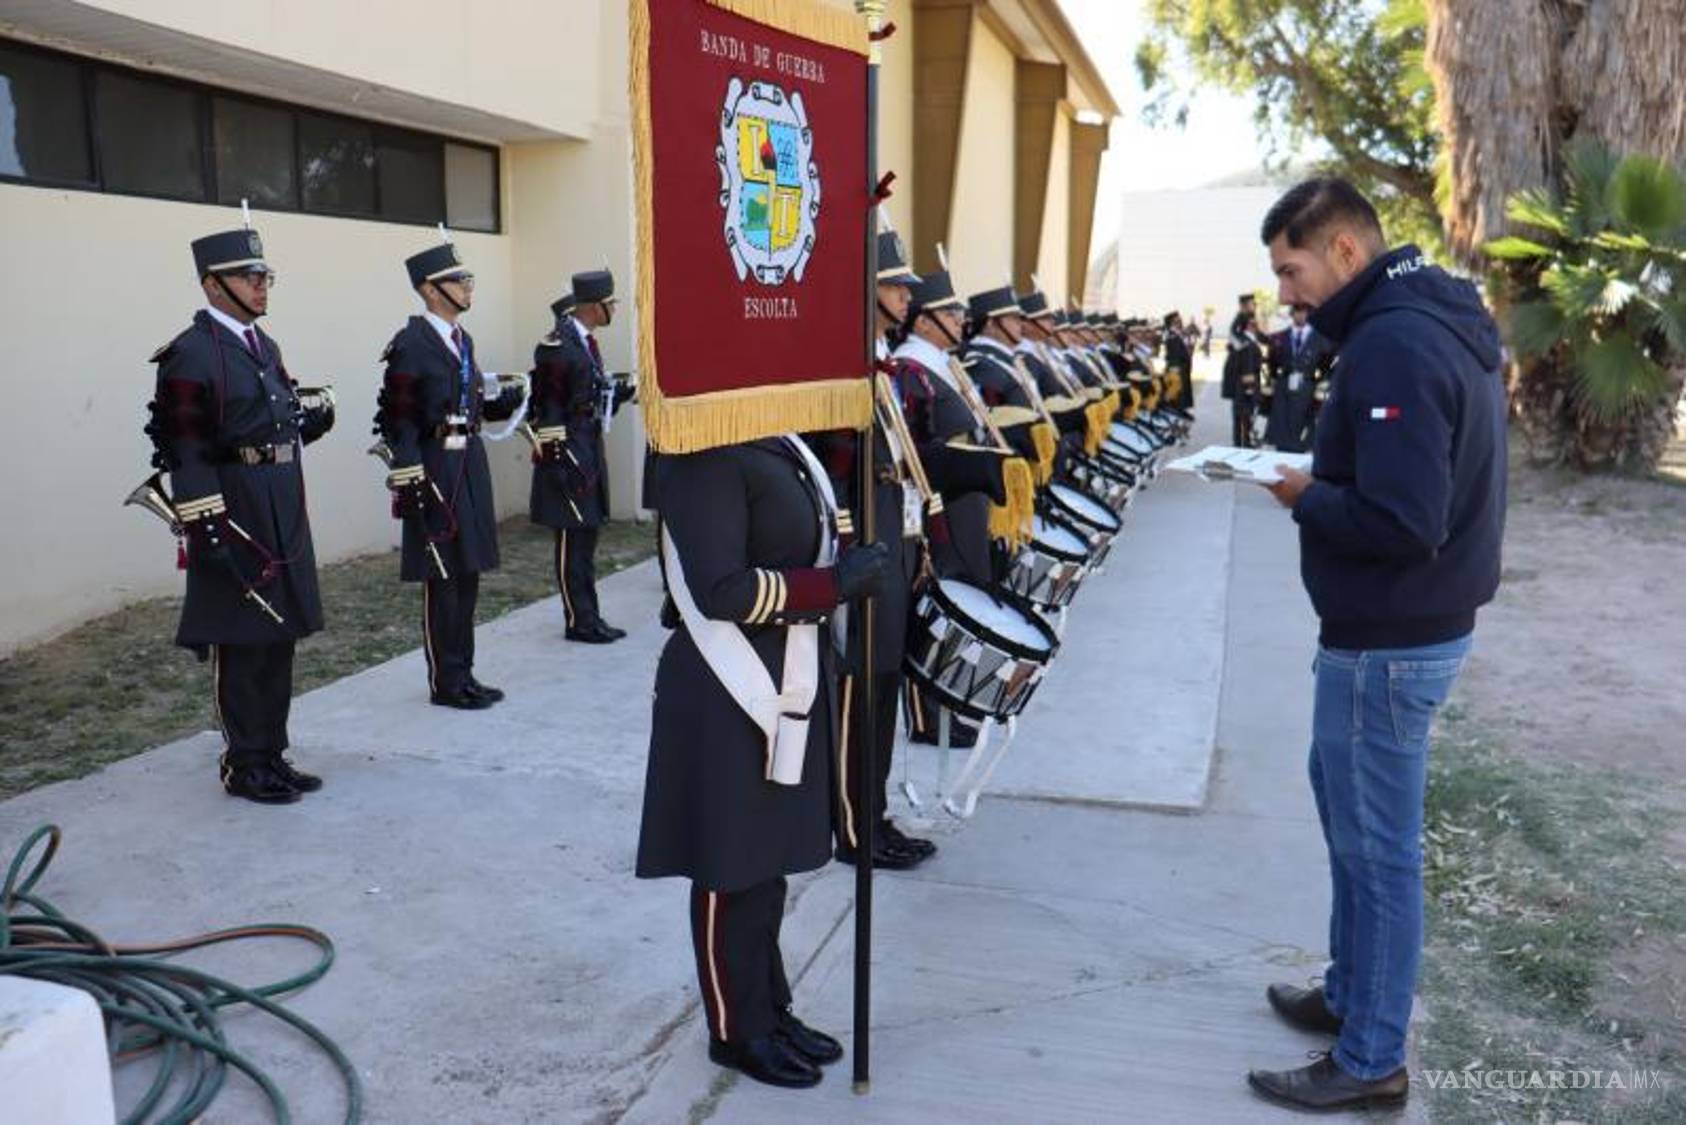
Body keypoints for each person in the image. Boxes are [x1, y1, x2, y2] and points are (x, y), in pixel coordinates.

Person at [1248, 178, 1507, 1113]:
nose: (1284, 292)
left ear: (1346, 252)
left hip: (1389, 640)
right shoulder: (1416, 318)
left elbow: (1405, 518)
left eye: (1292, 268)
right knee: (1354, 831)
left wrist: (1303, 494)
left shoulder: (1394, 342)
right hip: (1395, 631)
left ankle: (1371, 1058)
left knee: (1378, 852)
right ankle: (1352, 997)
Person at [635, 435, 890, 1089]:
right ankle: (735, 1027)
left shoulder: (780, 443)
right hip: (728, 682)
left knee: (767, 859)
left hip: (789, 667)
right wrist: (830, 584)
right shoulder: (704, 453)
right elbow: (721, 588)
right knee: (731, 860)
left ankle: (770, 1008)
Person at [144, 225, 332, 804]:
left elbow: (266, 419)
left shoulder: (263, 345)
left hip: (278, 495)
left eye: (264, 275)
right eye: (250, 277)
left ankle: (272, 752)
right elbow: (186, 447)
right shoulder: (189, 354)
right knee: (241, 636)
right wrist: (207, 527)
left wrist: (307, 423)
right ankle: (243, 763)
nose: (260, 285)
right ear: (212, 284)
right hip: (233, 504)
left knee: (279, 633)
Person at [806, 227, 936, 872]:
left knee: (884, 687)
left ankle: (875, 810)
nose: (907, 294)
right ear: (866, 291)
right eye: (894, 284)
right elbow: (830, 468)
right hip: (867, 550)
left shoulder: (880, 358)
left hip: (896, 543)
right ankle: (853, 827)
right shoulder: (841, 363)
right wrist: (853, 545)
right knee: (860, 690)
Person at [375, 240, 524, 710]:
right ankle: (446, 680)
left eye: (467, 279)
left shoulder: (462, 340)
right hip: (435, 463)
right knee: (442, 577)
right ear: (430, 290)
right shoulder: (411, 344)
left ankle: (465, 672)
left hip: (467, 457)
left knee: (468, 570)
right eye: (458, 280)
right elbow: (397, 417)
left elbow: (468, 403)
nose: (467, 287)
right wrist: (410, 473)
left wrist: (508, 401)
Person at [528, 271, 634, 643]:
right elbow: (549, 408)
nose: (614, 309)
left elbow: (585, 398)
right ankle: (578, 620)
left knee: (587, 537)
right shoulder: (558, 346)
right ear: (593, 307)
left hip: (588, 445)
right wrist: (557, 461)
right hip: (569, 453)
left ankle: (590, 615)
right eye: (611, 303)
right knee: (572, 540)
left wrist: (615, 395)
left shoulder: (585, 343)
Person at [1264, 305, 1331, 452]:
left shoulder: (1321, 339)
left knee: (1302, 430)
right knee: (1282, 429)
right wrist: (1274, 381)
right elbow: (1271, 364)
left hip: (1307, 387)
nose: (1300, 316)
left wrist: (1322, 385)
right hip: (1284, 387)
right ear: (1292, 314)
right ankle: (1281, 457)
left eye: (1304, 312)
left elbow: (1329, 365)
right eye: (1297, 312)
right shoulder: (1279, 337)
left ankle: (1299, 456)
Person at [1223, 293, 1264, 447]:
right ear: (1250, 325)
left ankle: (1242, 444)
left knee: (1242, 420)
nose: (1257, 325)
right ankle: (1243, 447)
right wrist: (1250, 389)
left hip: (1242, 388)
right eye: (1255, 323)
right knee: (1243, 419)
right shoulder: (1247, 344)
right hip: (1245, 389)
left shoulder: (1247, 341)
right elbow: (1247, 367)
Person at [1162, 310, 1196, 413]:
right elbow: (1174, 352)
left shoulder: (1179, 333)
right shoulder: (1171, 334)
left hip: (1183, 366)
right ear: (1172, 321)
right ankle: (1177, 411)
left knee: (1184, 390)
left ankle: (1182, 410)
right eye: (1178, 319)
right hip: (1176, 366)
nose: (1180, 321)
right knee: (1178, 392)